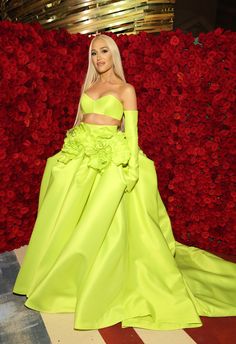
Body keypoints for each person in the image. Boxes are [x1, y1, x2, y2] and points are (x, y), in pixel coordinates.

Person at [13, 34, 236, 331]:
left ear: (114, 54)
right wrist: (68, 151)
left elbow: (131, 132)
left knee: (103, 223)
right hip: (80, 156)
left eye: (104, 51)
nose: (98, 58)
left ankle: (99, 281)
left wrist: (130, 167)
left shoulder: (125, 90)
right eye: (93, 53)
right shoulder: (89, 86)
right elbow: (80, 122)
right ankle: (64, 277)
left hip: (110, 158)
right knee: (69, 218)